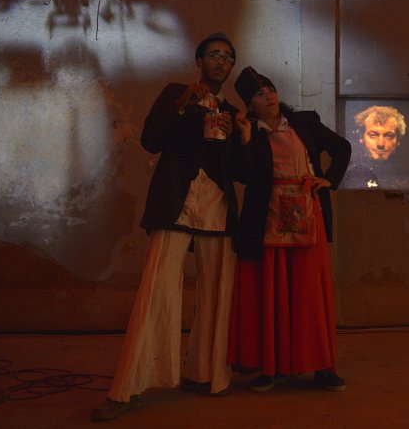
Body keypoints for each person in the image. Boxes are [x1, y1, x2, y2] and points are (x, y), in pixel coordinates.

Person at [91, 32, 241, 422]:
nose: (221, 61)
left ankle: (208, 376)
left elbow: (238, 170)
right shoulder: (176, 93)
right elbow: (151, 140)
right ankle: (128, 388)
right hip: (176, 201)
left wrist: (239, 137)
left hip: (217, 207)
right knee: (155, 289)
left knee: (218, 291)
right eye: (214, 54)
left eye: (227, 57)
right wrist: (181, 105)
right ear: (199, 60)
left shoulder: (230, 110)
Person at [227, 66, 351, 392]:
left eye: (270, 89)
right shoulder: (249, 132)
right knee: (271, 291)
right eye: (259, 94)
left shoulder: (304, 122)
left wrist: (329, 180)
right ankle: (272, 366)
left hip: (307, 214)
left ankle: (322, 366)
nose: (268, 96)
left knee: (309, 291)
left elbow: (342, 147)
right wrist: (244, 137)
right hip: (267, 217)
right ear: (249, 104)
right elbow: (243, 175)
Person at [342, 105, 409, 190]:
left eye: (389, 136)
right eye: (373, 135)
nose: (381, 144)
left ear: (398, 140)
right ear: (361, 137)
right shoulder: (346, 177)